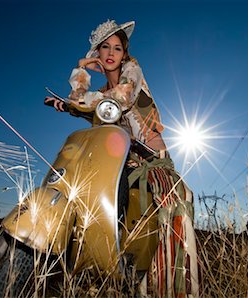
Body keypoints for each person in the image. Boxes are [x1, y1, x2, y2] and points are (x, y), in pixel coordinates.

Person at [45, 20, 199, 298]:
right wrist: (81, 68)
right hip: (117, 161)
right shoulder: (100, 93)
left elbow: (120, 98)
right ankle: (93, 263)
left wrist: (75, 105)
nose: (111, 52)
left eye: (118, 47)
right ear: (97, 53)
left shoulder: (132, 72)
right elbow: (79, 100)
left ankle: (166, 284)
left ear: (125, 52)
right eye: (105, 47)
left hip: (152, 158)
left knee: (176, 201)